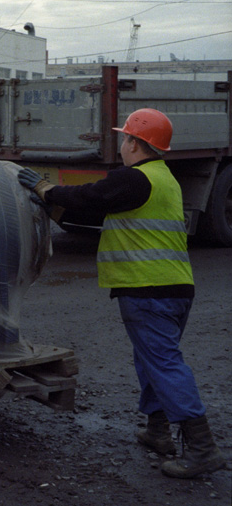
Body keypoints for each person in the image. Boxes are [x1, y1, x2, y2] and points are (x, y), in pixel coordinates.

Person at [17, 108, 225, 480]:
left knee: (163, 363)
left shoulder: (135, 178)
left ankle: (202, 449)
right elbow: (104, 216)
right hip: (175, 287)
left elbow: (92, 195)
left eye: (126, 138)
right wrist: (55, 212)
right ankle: (158, 431)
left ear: (134, 143)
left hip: (147, 290)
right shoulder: (163, 179)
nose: (123, 144)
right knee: (152, 360)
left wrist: (45, 188)